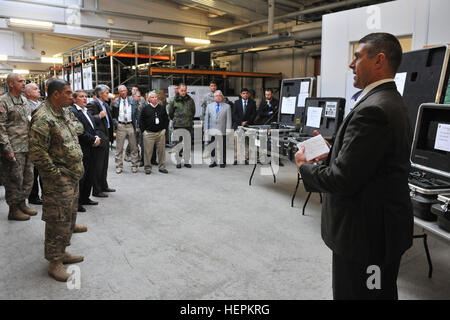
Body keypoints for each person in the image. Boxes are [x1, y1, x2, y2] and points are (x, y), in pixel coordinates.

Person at [295, 33, 413, 300]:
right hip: (380, 231)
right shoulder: (389, 101)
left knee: (360, 294)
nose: (351, 64)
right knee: (378, 292)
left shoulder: (374, 109)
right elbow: (368, 160)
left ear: (379, 60)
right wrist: (334, 147)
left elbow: (342, 179)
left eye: (358, 56)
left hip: (365, 238)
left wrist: (304, 167)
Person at [29, 79, 85, 282]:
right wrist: (55, 175)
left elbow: (78, 129)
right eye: (69, 93)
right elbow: (36, 152)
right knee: (57, 221)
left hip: (72, 174)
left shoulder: (64, 111)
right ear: (55, 94)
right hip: (59, 179)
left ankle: (62, 252)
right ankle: (54, 262)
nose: (73, 96)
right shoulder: (43, 117)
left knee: (68, 217)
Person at [0, 73, 36, 221]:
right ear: (11, 84)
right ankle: (13, 209)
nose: (23, 83)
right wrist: (7, 149)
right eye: (20, 81)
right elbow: (0, 127)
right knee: (14, 179)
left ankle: (22, 203)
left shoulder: (25, 101)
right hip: (13, 148)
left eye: (24, 81)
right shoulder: (3, 101)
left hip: (27, 146)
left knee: (28, 178)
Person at [70, 90, 101, 212]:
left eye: (85, 96)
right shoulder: (73, 112)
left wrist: (97, 136)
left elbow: (95, 127)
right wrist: (93, 139)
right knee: (81, 176)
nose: (84, 99)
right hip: (83, 147)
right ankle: (77, 202)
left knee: (90, 174)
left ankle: (85, 198)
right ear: (75, 99)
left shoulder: (86, 111)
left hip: (92, 146)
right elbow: (79, 132)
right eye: (81, 97)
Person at [87, 85, 115, 197]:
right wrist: (99, 116)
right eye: (107, 93)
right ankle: (97, 190)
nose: (109, 95)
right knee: (98, 166)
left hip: (106, 137)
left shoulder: (105, 105)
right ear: (100, 94)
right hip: (100, 137)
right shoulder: (93, 104)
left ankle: (104, 185)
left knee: (104, 165)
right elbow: (89, 119)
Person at [111, 85, 139, 174]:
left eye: (124, 90)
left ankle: (134, 165)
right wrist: (117, 124)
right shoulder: (116, 102)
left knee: (133, 146)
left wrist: (137, 126)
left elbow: (137, 114)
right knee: (119, 147)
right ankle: (119, 166)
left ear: (127, 91)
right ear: (119, 92)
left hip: (130, 125)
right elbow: (112, 115)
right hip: (121, 126)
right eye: (121, 91)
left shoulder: (132, 101)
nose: (123, 92)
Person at [140, 91, 169, 175]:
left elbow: (166, 119)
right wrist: (144, 131)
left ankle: (162, 167)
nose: (155, 99)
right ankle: (148, 167)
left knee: (161, 151)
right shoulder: (145, 109)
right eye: (152, 97)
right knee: (148, 152)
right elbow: (141, 121)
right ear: (148, 99)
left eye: (156, 97)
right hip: (149, 133)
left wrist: (164, 129)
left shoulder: (161, 107)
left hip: (160, 133)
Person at [168, 83, 196, 169]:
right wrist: (176, 120)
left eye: (185, 90)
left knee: (187, 144)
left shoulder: (190, 100)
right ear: (178, 90)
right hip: (178, 125)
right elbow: (170, 113)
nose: (183, 92)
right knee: (178, 144)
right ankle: (178, 161)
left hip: (188, 125)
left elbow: (193, 111)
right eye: (182, 90)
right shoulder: (174, 100)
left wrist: (188, 119)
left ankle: (187, 161)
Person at [24, 82, 43, 205]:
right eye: (35, 89)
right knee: (33, 172)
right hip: (32, 142)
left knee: (43, 170)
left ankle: (45, 195)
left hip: (44, 142)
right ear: (28, 92)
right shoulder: (25, 105)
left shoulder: (41, 104)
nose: (39, 90)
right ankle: (33, 197)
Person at [204, 90, 232, 168]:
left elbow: (229, 119)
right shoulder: (209, 106)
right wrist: (206, 129)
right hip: (212, 130)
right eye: (216, 96)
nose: (218, 97)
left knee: (222, 146)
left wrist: (228, 129)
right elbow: (206, 118)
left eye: (220, 96)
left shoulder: (227, 106)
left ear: (222, 97)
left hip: (222, 129)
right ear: (214, 97)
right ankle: (213, 161)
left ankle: (223, 162)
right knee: (212, 147)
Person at [232, 88, 257, 164]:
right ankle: (236, 158)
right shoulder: (236, 103)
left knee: (246, 142)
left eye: (246, 93)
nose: (245, 94)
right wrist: (240, 122)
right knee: (237, 142)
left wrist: (247, 122)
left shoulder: (252, 103)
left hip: (248, 125)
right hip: (238, 125)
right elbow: (234, 114)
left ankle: (245, 158)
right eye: (243, 93)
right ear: (241, 94)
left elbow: (254, 114)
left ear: (248, 94)